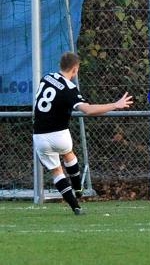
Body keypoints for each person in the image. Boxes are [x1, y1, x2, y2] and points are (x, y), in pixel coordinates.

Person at [33, 52, 133, 215]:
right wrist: (116, 104)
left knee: (57, 171)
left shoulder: (47, 78)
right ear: (75, 69)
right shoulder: (70, 89)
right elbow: (88, 110)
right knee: (69, 154)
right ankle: (78, 187)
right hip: (60, 134)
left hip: (39, 135)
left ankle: (76, 206)